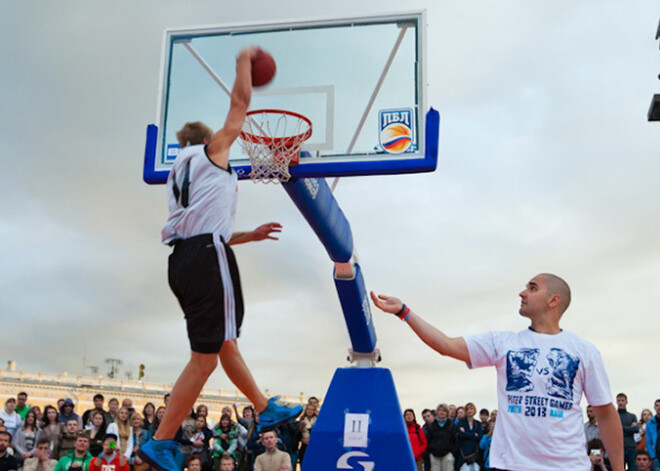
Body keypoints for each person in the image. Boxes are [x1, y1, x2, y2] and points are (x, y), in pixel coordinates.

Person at [139, 46, 302, 471]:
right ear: (208, 140)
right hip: (207, 255)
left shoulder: (179, 173)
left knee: (224, 340)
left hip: (185, 259)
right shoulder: (210, 153)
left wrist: (251, 234)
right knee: (204, 358)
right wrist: (244, 62)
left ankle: (264, 405)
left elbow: (212, 229)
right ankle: (161, 439)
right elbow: (241, 105)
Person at [371, 273, 624, 471]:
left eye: (533, 288)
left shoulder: (584, 351)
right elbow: (445, 345)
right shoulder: (504, 343)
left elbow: (605, 413)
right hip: (509, 464)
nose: (522, 292)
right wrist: (404, 312)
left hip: (567, 466)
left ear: (553, 300)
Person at [425, 403, 458, 471]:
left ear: (447, 413)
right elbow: (428, 439)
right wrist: (430, 452)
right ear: (437, 412)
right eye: (440, 410)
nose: (441, 412)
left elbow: (456, 440)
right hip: (434, 455)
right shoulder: (432, 426)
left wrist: (452, 452)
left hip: (447, 455)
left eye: (444, 411)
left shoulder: (451, 425)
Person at [456, 402, 482, 471]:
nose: (469, 410)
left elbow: (479, 437)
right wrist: (473, 434)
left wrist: (466, 434)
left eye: (471, 408)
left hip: (475, 454)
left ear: (474, 410)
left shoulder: (478, 423)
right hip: (464, 454)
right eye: (468, 409)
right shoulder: (461, 422)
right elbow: (461, 435)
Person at [617, 393, 639, 470]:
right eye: (619, 400)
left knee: (633, 468)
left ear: (626, 402)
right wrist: (629, 428)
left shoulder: (632, 416)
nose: (620, 403)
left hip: (631, 447)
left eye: (622, 400)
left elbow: (636, 429)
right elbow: (614, 429)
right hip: (618, 447)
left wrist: (620, 427)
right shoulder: (614, 416)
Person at [646, 399, 660, 471]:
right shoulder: (650, 423)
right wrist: (652, 456)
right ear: (654, 407)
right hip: (656, 456)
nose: (659, 407)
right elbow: (648, 442)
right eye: (657, 405)